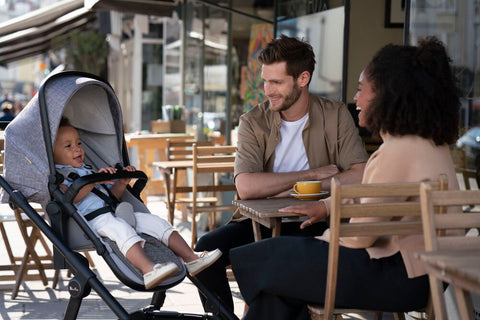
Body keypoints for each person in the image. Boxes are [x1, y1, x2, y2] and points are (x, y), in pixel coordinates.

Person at [229, 36, 461, 319]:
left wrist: (322, 239)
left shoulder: (397, 151)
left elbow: (359, 237)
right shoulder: (427, 144)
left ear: (388, 94)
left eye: (362, 89)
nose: (356, 98)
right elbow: (380, 207)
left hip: (400, 275)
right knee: (278, 287)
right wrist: (326, 207)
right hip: (423, 273)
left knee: (266, 256)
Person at [194, 34, 369, 312]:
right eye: (265, 81)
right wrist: (311, 175)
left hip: (315, 221)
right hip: (259, 222)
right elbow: (247, 188)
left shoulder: (335, 116)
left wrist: (299, 189)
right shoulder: (253, 121)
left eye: (276, 82)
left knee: (272, 263)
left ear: (302, 79)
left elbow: (360, 174)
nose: (267, 90)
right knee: (203, 252)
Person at [53, 117, 222, 290]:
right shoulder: (58, 177)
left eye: (78, 143)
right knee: (121, 230)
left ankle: (191, 258)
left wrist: (121, 183)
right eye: (68, 146)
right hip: (94, 221)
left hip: (114, 211)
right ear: (52, 153)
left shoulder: (87, 169)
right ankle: (149, 269)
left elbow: (111, 196)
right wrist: (92, 181)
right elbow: (70, 199)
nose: (77, 149)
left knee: (155, 222)